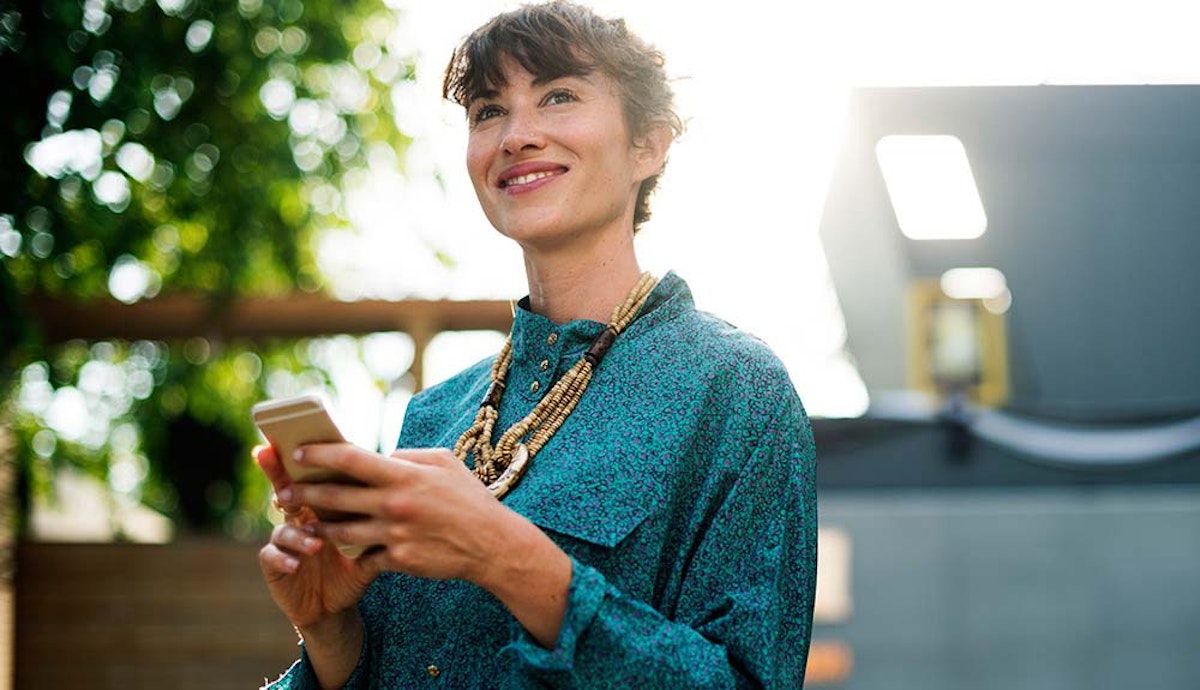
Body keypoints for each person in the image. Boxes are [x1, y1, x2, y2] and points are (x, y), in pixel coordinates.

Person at [257, 2, 817, 687]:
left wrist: (504, 555)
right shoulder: (435, 418)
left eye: (558, 96)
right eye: (488, 110)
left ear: (649, 145)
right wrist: (329, 632)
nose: (517, 135)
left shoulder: (736, 392)